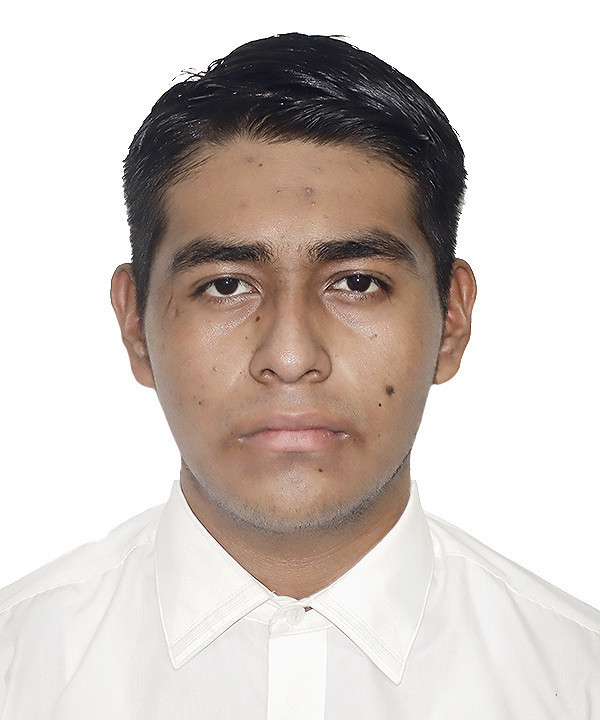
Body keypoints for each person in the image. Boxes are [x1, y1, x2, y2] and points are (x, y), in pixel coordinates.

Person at [0, 32, 598, 719]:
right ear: (135, 322)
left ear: (452, 320)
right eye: (226, 285)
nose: (289, 357)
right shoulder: (19, 672)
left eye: (357, 282)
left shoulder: (579, 682)